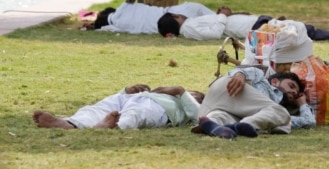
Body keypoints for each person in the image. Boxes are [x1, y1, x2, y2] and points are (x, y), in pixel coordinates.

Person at [195, 66, 315, 138]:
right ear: (275, 82)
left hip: (213, 109)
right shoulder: (261, 78)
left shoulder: (270, 112)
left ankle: (213, 125)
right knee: (282, 114)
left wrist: (302, 104)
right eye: (291, 85)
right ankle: (248, 124)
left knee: (221, 117)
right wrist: (240, 74)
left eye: (296, 92)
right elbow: (244, 71)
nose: (294, 92)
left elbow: (309, 122)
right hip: (226, 87)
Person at [32, 84, 204, 130]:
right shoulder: (165, 92)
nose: (191, 94)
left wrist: (182, 92)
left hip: (158, 109)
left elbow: (199, 116)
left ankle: (114, 127)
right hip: (133, 98)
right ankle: (69, 123)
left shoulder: (187, 106)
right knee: (97, 108)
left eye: (194, 95)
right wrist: (127, 90)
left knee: (134, 115)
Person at [157, 6, 329, 41]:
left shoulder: (190, 25)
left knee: (297, 27)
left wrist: (231, 14)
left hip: (251, 22)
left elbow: (217, 25)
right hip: (251, 28)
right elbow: (214, 34)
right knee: (302, 29)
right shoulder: (188, 28)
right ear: (175, 17)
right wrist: (223, 16)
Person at [91, 0, 217, 34]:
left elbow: (105, 28)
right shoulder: (119, 12)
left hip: (170, 22)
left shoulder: (118, 27)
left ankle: (222, 19)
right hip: (170, 13)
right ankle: (224, 17)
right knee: (205, 14)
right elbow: (129, 1)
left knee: (208, 22)